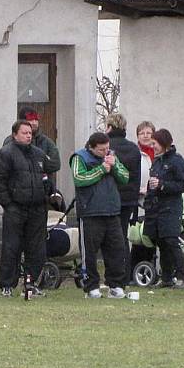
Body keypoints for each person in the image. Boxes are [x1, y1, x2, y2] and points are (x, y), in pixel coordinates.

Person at [0, 120, 49, 298]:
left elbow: (46, 177)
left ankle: (31, 283)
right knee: (11, 248)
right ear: (15, 135)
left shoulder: (39, 154)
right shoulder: (5, 154)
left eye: (30, 133)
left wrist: (48, 194)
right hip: (16, 208)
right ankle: (6, 284)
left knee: (37, 248)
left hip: (37, 209)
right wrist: (8, 203)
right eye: (24, 133)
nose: (28, 136)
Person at [70, 131, 130, 299]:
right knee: (89, 252)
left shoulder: (112, 156)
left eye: (107, 148)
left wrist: (115, 166)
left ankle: (116, 285)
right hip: (90, 212)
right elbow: (79, 178)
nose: (106, 152)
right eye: (102, 150)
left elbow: (125, 177)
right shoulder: (79, 158)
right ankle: (91, 286)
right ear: (91, 147)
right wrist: (101, 169)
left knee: (117, 250)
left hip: (112, 211)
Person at [144, 128, 184, 289]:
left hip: (171, 208)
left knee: (171, 241)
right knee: (161, 242)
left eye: (155, 143)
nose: (153, 146)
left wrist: (162, 185)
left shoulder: (177, 161)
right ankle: (167, 277)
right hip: (156, 208)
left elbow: (183, 185)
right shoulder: (157, 161)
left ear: (163, 143)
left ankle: (182, 276)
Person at [105, 113, 142, 284]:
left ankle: (114, 275)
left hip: (110, 199)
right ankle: (125, 274)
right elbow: (136, 177)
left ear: (110, 127)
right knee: (122, 237)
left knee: (109, 239)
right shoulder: (134, 148)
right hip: (128, 200)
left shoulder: (105, 147)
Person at [4, 106, 60, 183]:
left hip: (42, 189)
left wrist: (36, 165)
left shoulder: (46, 142)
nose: (34, 123)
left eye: (36, 119)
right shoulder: (10, 141)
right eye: (30, 119)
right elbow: (6, 167)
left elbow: (55, 164)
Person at [130, 121, 157, 273]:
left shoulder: (159, 153)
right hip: (139, 200)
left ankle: (153, 268)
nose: (146, 136)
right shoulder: (135, 153)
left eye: (148, 133)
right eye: (142, 133)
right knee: (139, 237)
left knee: (152, 236)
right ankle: (136, 271)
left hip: (155, 199)